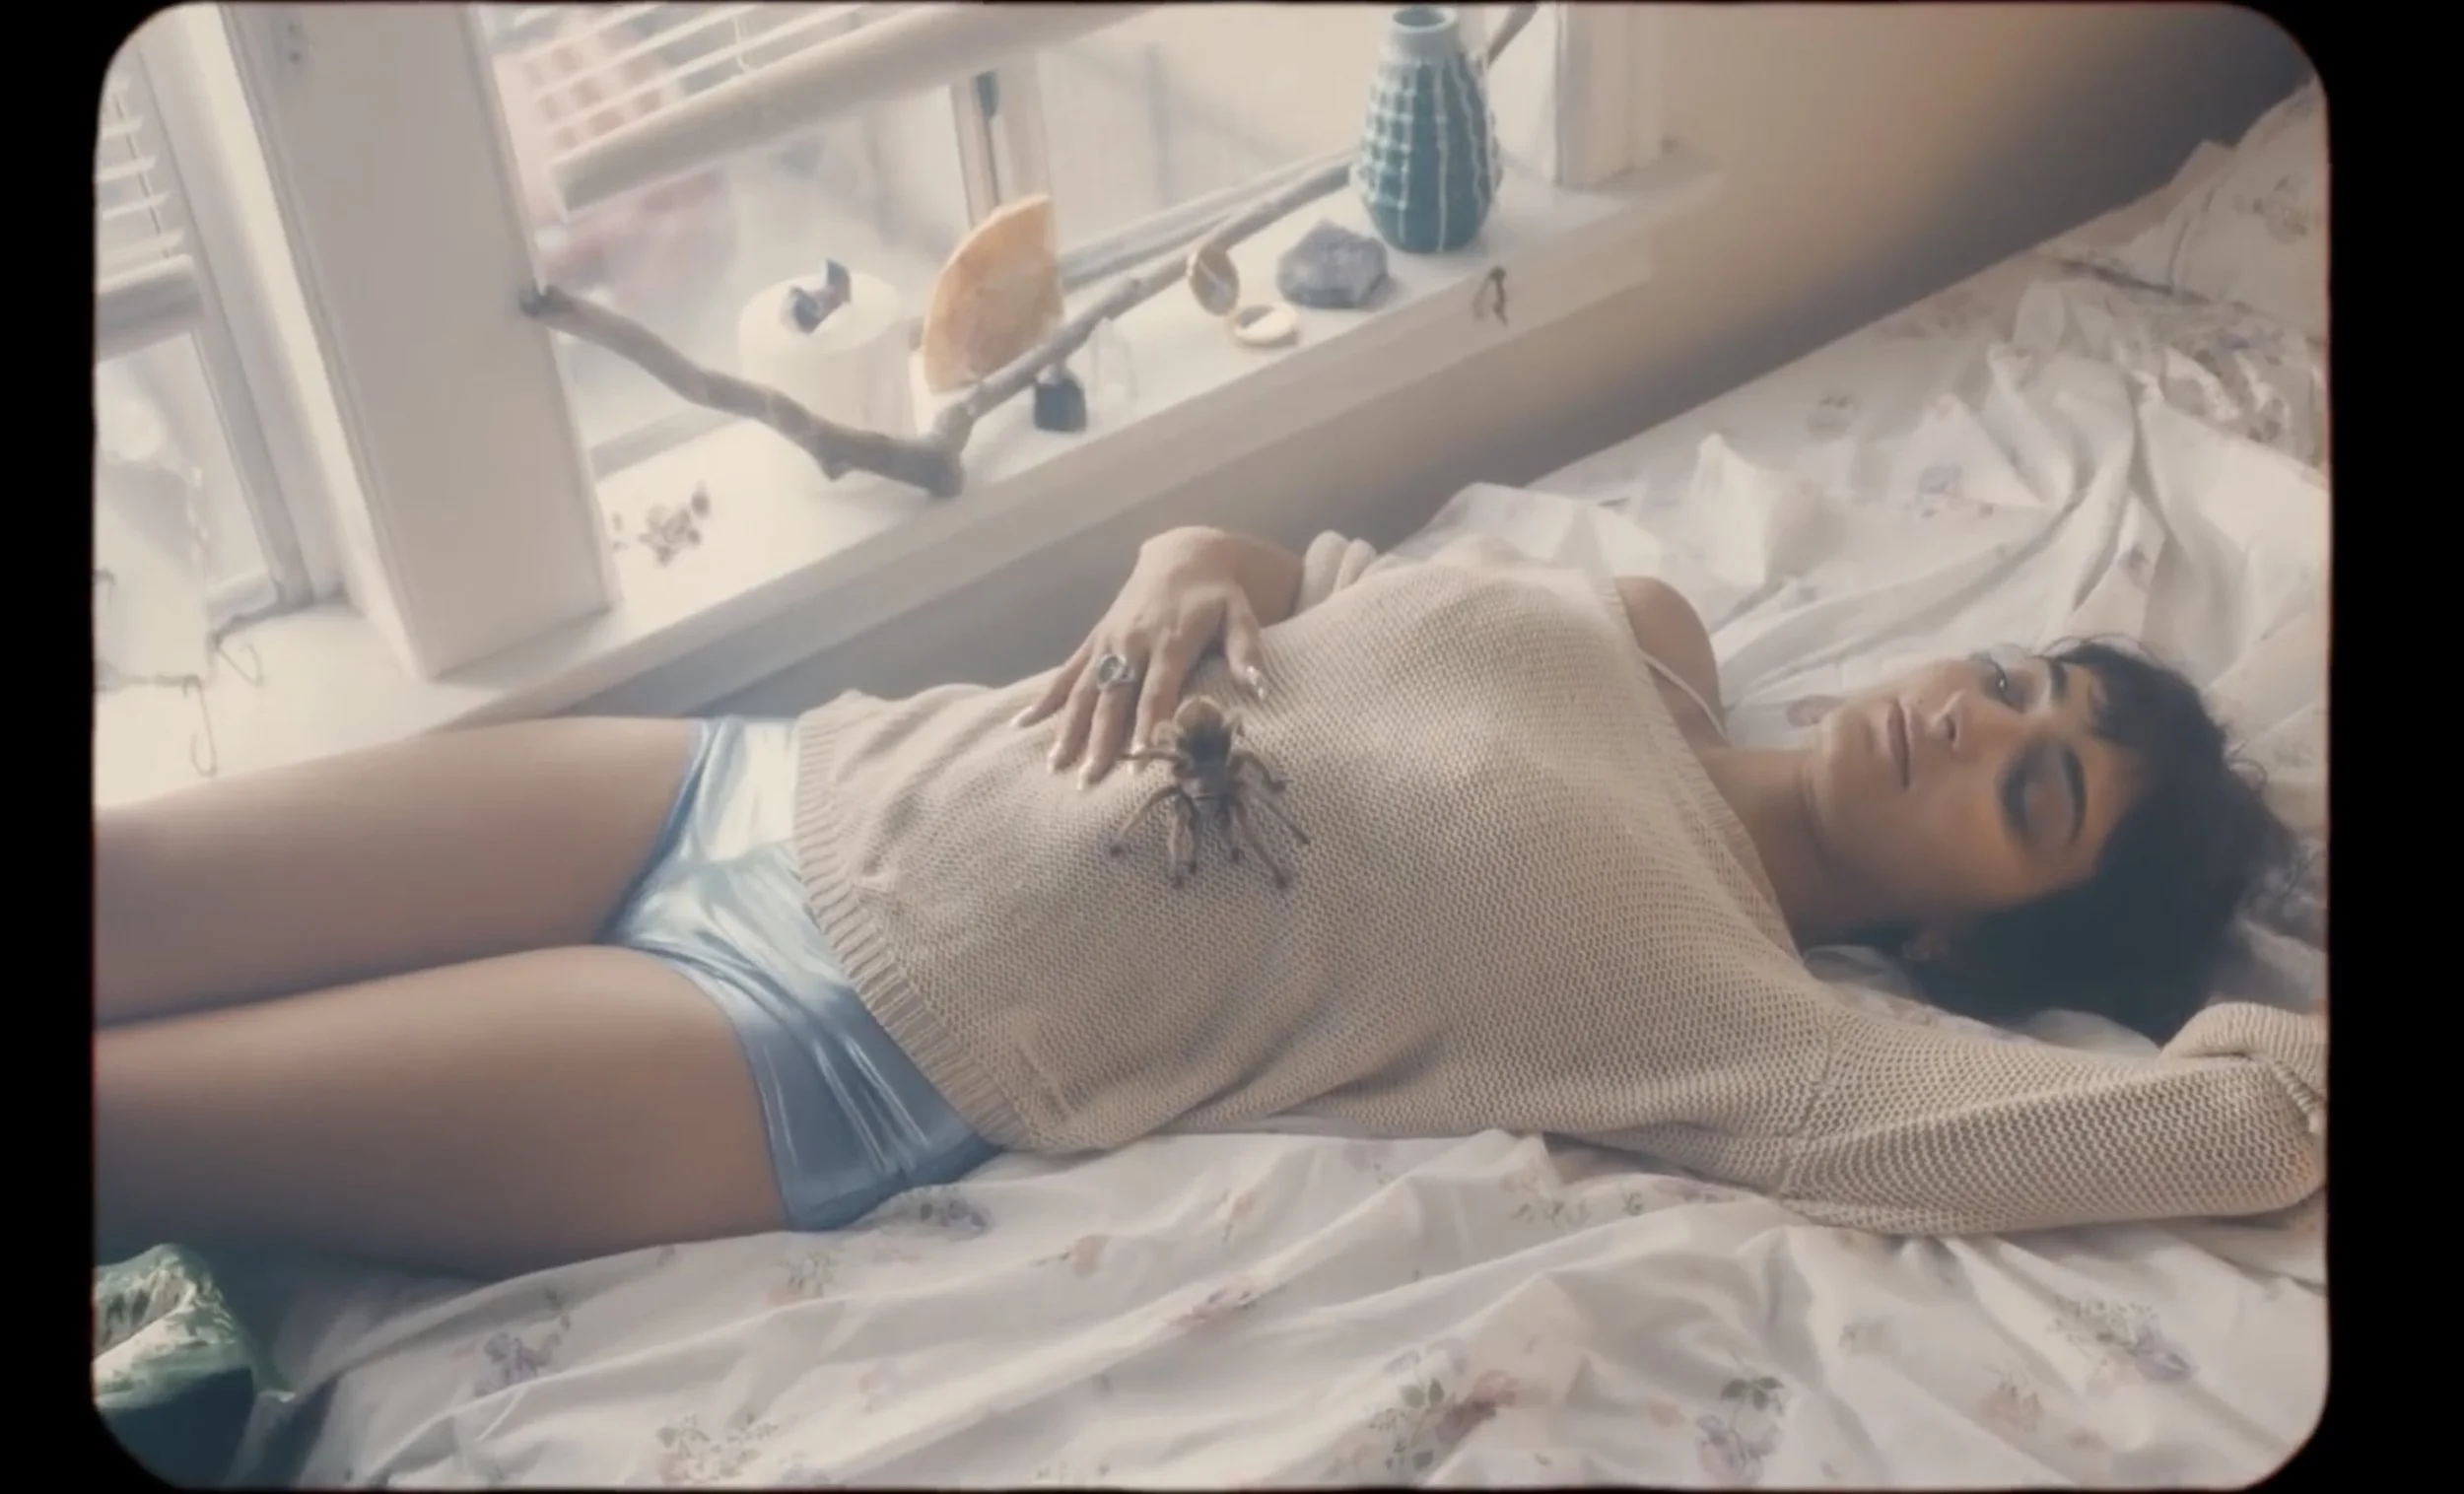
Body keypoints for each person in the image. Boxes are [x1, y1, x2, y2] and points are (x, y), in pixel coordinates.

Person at [95, 524, 2324, 1281]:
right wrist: (1182, 562)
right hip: (781, 771)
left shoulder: (1761, 1031)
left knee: (127, 1109)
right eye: (2020, 679)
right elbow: (1296, 588)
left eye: (2034, 789)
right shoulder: (1636, 614)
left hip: (827, 1045)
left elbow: (2223, 1124)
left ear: (1963, 944)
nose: (1970, 715)